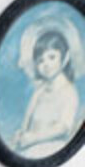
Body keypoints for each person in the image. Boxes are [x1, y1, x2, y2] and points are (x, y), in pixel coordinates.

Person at [12, 28, 81, 159]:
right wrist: (21, 134)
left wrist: (34, 138)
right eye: (40, 61)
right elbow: (27, 119)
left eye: (51, 57)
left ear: (65, 58)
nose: (46, 64)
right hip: (30, 146)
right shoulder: (39, 92)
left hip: (52, 149)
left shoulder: (69, 92)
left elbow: (64, 127)